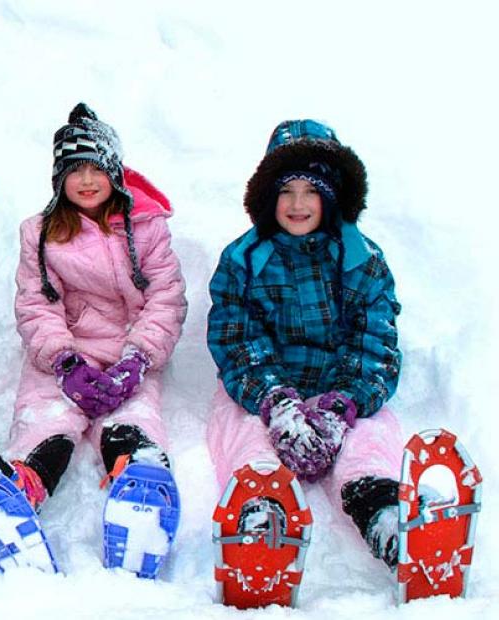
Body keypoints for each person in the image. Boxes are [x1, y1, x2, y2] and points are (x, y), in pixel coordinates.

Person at [0, 104, 186, 575]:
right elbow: (36, 306)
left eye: (96, 167)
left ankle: (138, 483)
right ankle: (21, 487)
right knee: (48, 421)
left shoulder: (147, 228)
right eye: (73, 169)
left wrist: (137, 360)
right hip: (65, 352)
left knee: (130, 417)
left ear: (115, 172)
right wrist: (63, 361)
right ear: (59, 177)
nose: (85, 179)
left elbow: (166, 297)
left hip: (128, 350)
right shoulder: (41, 234)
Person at [205, 119, 404, 570]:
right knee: (241, 430)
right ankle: (260, 511)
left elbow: (376, 345)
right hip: (264, 391)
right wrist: (275, 402)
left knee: (369, 436)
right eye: (286, 191)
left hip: (342, 390)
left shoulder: (362, 261)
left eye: (310, 191)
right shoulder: (244, 261)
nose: (297, 204)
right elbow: (236, 340)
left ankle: (380, 506)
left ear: (331, 197)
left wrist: (342, 405)